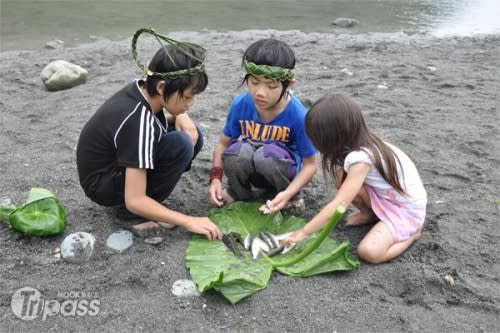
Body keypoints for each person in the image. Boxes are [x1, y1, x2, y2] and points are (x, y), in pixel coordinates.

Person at [76, 29, 222, 240]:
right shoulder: (138, 120)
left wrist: (181, 115)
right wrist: (188, 220)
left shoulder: (144, 89)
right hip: (104, 183)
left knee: (192, 134)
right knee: (181, 144)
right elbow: (134, 198)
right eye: (188, 97)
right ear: (162, 87)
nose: (191, 104)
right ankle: (127, 214)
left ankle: (145, 203)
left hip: (117, 163)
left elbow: (159, 117)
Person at [283, 94, 427, 264]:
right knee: (340, 176)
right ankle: (369, 215)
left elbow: (339, 204)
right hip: (389, 198)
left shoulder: (361, 160)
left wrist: (303, 233)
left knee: (369, 252)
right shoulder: (366, 144)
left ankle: (412, 235)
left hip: (405, 211)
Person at [208, 38, 317, 214]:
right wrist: (215, 178)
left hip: (280, 170)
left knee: (266, 156)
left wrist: (290, 192)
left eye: (271, 86)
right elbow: (223, 144)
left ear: (288, 85)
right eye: (254, 82)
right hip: (253, 168)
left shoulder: (298, 115)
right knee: (237, 153)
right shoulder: (241, 104)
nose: (260, 92)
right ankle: (240, 193)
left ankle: (288, 198)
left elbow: (310, 164)